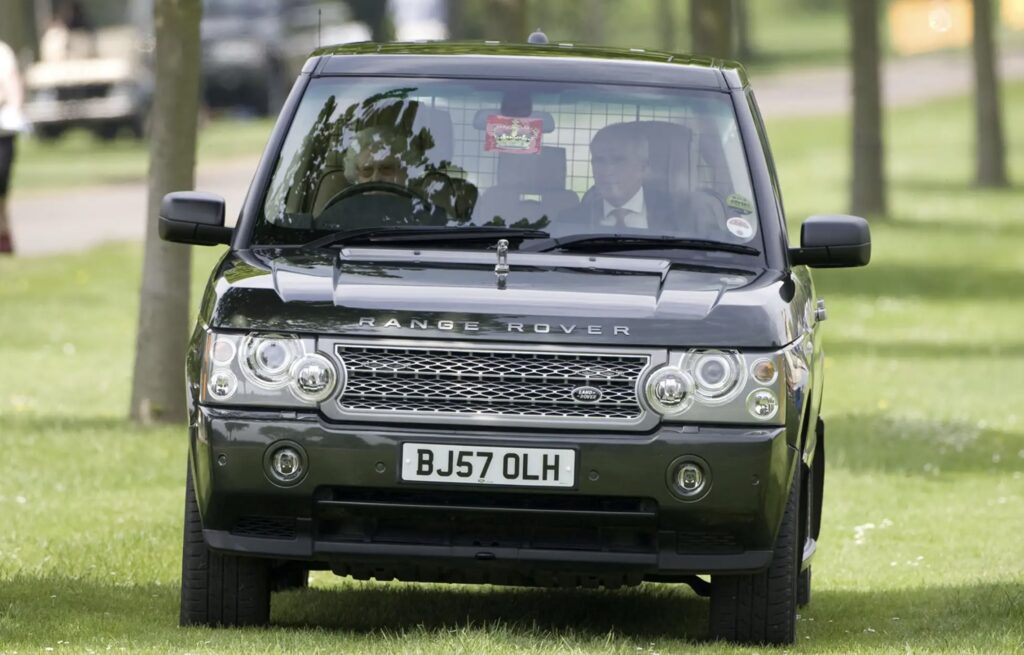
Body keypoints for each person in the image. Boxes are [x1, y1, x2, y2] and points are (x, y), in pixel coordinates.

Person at [558, 122, 674, 235]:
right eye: (599, 161)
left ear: (643, 168)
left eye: (618, 161)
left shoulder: (677, 216)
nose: (607, 171)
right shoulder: (569, 222)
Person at [0, 38, 26, 254]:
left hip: (3, 130)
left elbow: (13, 84)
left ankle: (4, 233)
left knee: (1, 186)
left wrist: (14, 109)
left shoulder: (3, 52)